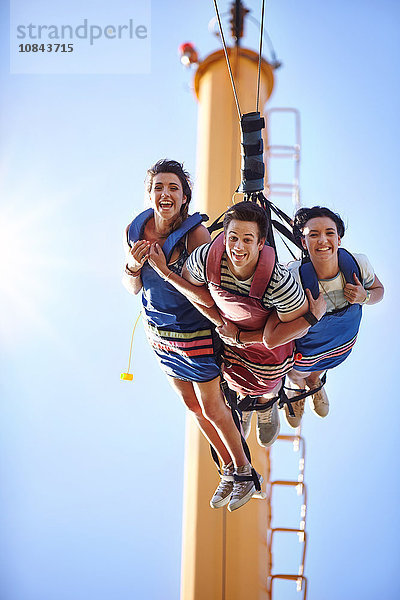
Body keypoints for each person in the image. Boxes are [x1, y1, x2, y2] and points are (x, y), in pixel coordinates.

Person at [122, 159, 264, 512]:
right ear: (149, 194)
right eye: (159, 188)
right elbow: (131, 286)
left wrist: (166, 272)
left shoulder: (194, 236)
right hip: (160, 334)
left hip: (194, 332)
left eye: (173, 188)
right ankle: (228, 470)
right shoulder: (134, 232)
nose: (165, 194)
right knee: (190, 406)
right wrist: (133, 266)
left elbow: (208, 293)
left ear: (185, 196)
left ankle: (245, 470)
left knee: (212, 406)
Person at [165, 201, 326, 447]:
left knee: (269, 382)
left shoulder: (279, 283)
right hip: (231, 343)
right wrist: (222, 324)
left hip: (269, 349)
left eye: (248, 240)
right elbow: (194, 291)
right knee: (235, 380)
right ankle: (245, 404)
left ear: (261, 243)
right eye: (233, 238)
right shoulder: (206, 259)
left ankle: (266, 404)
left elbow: (298, 327)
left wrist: (242, 336)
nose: (238, 247)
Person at [284, 206, 384, 428]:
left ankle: (314, 382)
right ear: (303, 242)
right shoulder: (293, 276)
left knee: (319, 368)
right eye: (313, 234)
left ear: (339, 239)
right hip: (306, 348)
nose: (323, 240)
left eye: (329, 233)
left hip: (341, 345)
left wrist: (364, 296)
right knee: (295, 373)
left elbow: (379, 291)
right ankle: (298, 390)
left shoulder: (358, 265)